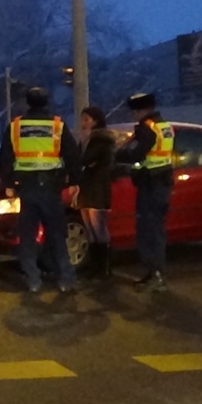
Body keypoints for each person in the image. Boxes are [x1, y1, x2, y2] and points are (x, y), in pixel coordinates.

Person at [0, 87, 82, 294]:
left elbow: (5, 157)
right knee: (56, 234)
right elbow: (72, 155)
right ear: (46, 102)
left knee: (27, 236)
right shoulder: (57, 125)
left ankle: (33, 279)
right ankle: (65, 279)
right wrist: (75, 180)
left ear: (28, 102)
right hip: (51, 188)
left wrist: (8, 183)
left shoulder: (16, 126)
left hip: (25, 187)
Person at [114, 92, 175, 293]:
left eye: (135, 112)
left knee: (150, 231)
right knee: (155, 229)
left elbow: (136, 154)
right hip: (162, 183)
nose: (134, 116)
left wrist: (119, 153)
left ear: (142, 110)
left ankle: (156, 275)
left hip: (151, 185)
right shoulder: (164, 126)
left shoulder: (147, 129)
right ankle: (153, 273)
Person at [76, 106, 118, 279]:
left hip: (98, 187)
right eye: (82, 119)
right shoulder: (87, 139)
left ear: (96, 121)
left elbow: (85, 159)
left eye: (87, 119)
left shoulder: (102, 139)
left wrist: (84, 159)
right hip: (87, 186)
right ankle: (94, 266)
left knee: (99, 228)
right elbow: (81, 160)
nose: (83, 123)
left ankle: (104, 268)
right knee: (90, 229)